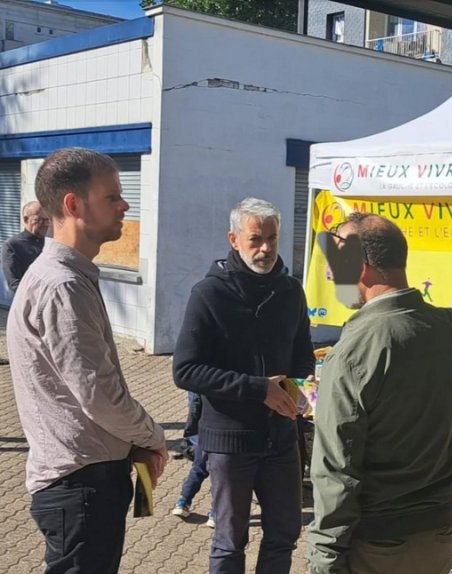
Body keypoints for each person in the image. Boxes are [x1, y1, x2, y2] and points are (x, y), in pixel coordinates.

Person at [306, 214, 452, 574]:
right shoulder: (450, 330)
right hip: (437, 535)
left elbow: (336, 470)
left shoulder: (353, 351)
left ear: (362, 266)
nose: (331, 274)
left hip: (377, 544)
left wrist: (323, 560)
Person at [7, 147, 167, 573]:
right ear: (73, 205)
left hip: (83, 482)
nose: (125, 204)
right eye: (112, 196)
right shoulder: (63, 286)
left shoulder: (67, 277)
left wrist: (132, 441)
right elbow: (99, 395)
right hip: (80, 486)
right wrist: (151, 434)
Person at [173, 197, 314, 574]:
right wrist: (256, 388)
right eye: (255, 239)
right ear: (233, 239)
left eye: (272, 238)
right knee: (230, 541)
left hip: (282, 437)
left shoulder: (291, 292)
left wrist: (302, 392)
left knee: (284, 534)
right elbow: (185, 370)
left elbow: (303, 356)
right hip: (230, 441)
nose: (265, 248)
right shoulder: (209, 294)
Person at [173, 391, 216, 528]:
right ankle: (216, 512)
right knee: (221, 477)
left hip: (201, 435)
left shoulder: (197, 377)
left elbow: (194, 408)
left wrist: (192, 437)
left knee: (198, 470)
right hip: (222, 436)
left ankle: (183, 501)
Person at [2, 200, 49, 291]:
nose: (45, 224)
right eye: (40, 220)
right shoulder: (12, 246)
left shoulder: (49, 243)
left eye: (47, 220)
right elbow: (15, 284)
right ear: (26, 219)